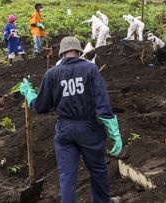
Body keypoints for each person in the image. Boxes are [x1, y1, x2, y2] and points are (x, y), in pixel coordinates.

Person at [19, 37, 122, 203]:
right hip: (89, 128)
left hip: (65, 130)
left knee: (67, 175)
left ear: (62, 53)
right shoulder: (90, 69)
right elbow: (102, 101)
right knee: (97, 169)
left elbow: (41, 105)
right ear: (79, 51)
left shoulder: (52, 74)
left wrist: (29, 93)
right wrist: (113, 131)